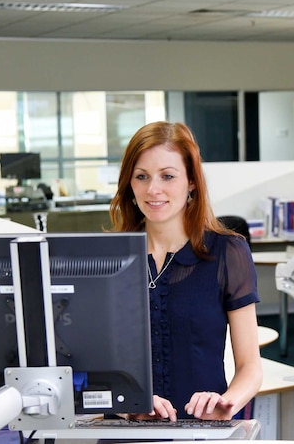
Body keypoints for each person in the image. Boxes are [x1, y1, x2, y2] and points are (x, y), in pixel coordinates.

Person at [109, 121, 263, 421]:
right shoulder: (109, 260)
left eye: (167, 176)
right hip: (127, 431)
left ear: (191, 180)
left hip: (201, 430)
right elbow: (91, 369)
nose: (153, 190)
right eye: (141, 176)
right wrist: (126, 404)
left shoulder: (227, 252)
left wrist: (227, 402)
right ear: (130, 183)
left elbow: (250, 368)